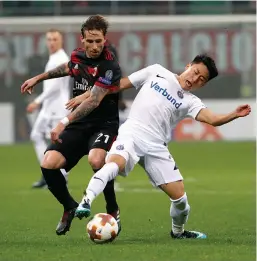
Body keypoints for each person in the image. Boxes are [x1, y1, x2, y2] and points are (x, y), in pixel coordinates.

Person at [62, 54, 251, 238]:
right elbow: (116, 86)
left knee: (181, 201)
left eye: (201, 79)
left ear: (203, 84)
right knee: (113, 164)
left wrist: (233, 114)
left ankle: (178, 232)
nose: (194, 79)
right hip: (133, 133)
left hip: (156, 146)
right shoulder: (156, 71)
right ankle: (86, 201)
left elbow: (212, 119)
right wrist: (87, 95)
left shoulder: (191, 101)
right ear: (188, 66)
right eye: (195, 72)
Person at [20, 15, 122, 236]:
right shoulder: (77, 56)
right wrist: (37, 78)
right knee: (48, 163)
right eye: (90, 41)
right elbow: (67, 67)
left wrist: (63, 122)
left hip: (103, 125)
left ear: (105, 39)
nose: (94, 46)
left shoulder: (110, 65)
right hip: (80, 125)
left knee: (97, 159)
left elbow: (94, 100)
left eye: (99, 41)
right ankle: (69, 206)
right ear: (82, 39)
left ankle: (112, 209)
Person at [26, 29, 70, 189]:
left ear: (61, 41)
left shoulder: (61, 59)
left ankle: (60, 176)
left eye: (55, 39)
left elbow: (55, 87)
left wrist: (37, 101)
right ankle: (48, 173)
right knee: (36, 135)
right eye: (49, 39)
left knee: (56, 143)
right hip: (49, 107)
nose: (51, 42)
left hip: (57, 108)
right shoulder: (53, 58)